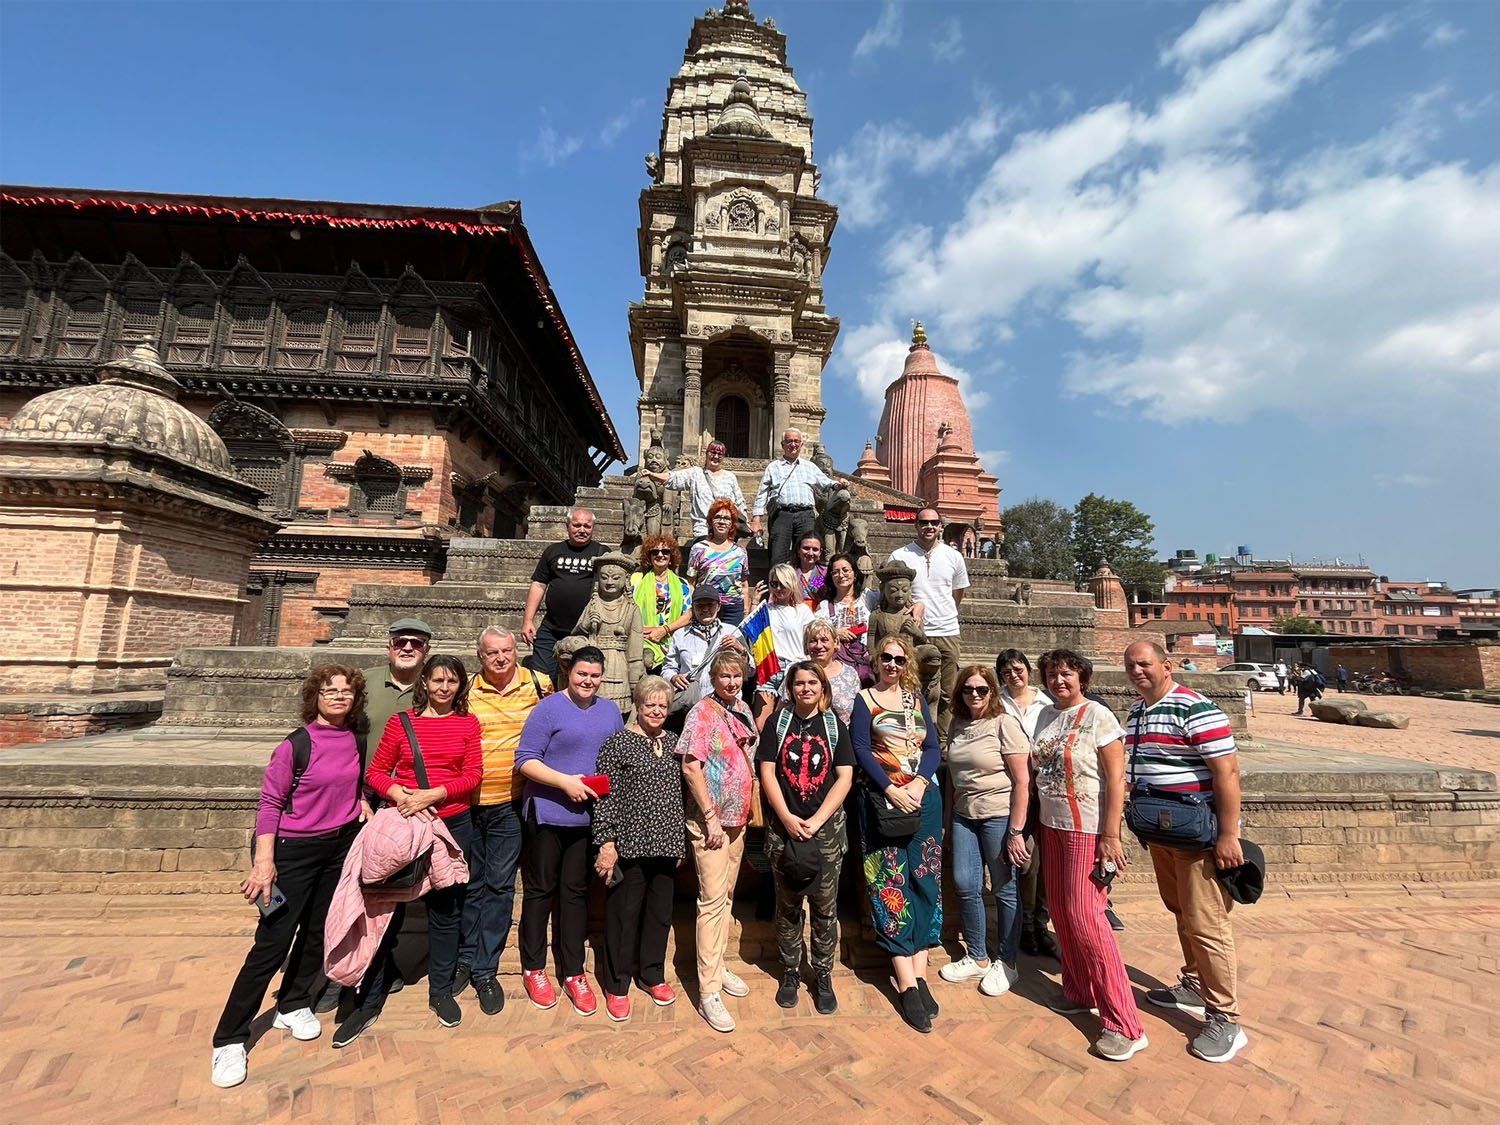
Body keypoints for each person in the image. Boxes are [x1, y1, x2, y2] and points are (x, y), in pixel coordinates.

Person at [211, 665, 370, 1089]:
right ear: (314, 697)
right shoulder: (295, 745)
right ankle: (229, 1038)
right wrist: (264, 862)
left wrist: (360, 803)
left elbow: (348, 785)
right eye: (329, 690)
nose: (338, 697)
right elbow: (270, 802)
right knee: (272, 942)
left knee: (319, 931)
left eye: (345, 692)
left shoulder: (355, 739)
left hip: (336, 848)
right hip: (290, 853)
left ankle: (293, 1001)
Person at [336, 654, 483, 1044]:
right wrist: (405, 795)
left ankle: (440, 991)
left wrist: (434, 793)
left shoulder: (468, 723)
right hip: (405, 826)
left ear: (460, 686)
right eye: (437, 680)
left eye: (452, 682)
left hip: (451, 823)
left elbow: (473, 774)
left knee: (447, 910)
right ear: (425, 684)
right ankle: (371, 996)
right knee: (385, 911)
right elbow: (377, 772)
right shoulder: (403, 724)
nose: (444, 688)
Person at [1123, 641, 1248, 1064]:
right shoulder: (1138, 712)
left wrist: (1229, 835)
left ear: (1167, 665)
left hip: (1199, 835)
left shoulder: (1194, 708)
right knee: (1181, 911)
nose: (1137, 670)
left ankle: (1226, 1017)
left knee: (1207, 923)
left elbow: (1227, 771)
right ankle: (1195, 983)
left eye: (1144, 663)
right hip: (1162, 831)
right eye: (1131, 665)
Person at [1030, 648, 1147, 1062]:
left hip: (1088, 828)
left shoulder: (1098, 716)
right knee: (1062, 912)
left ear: (1082, 677)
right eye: (1051, 674)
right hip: (1052, 824)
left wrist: (1110, 836)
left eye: (1066, 674)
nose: (1058, 680)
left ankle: (1124, 1022)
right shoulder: (1045, 716)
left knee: (1087, 916)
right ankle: (1079, 990)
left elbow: (1116, 778)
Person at [320, 617, 428, 1015]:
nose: (407, 648)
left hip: (401, 805)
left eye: (415, 643)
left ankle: (380, 966)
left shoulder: (432, 687)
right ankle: (337, 973)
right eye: (400, 641)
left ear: (426, 650)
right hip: (356, 801)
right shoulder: (363, 684)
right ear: (389, 646)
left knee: (390, 893)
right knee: (343, 892)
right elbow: (333, 734)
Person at [514, 645, 623, 1016]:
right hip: (547, 813)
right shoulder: (548, 709)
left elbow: (616, 760)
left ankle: (574, 971)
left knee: (575, 894)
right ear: (569, 674)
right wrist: (564, 782)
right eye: (581, 674)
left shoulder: (609, 711)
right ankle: (534, 968)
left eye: (594, 675)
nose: (588, 681)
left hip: (587, 820)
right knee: (541, 891)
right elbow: (525, 761)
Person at [452, 627, 550, 1016]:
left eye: (507, 650)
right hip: (467, 803)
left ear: (515, 652)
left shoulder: (539, 684)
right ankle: (463, 958)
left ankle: (485, 969)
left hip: (510, 805)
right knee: (467, 883)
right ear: (480, 656)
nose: (500, 658)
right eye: (492, 652)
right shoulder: (465, 691)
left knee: (499, 886)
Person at [850, 634, 943, 1034]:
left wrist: (920, 783)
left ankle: (920, 975)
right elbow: (861, 749)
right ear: (876, 660)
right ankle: (904, 981)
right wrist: (890, 788)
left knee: (925, 881)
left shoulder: (916, 702)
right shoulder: (864, 700)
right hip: (883, 801)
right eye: (886, 658)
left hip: (924, 800)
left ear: (907, 664)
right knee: (890, 884)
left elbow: (935, 748)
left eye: (899, 659)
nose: (892, 665)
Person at [757, 661, 855, 1015]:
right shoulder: (777, 724)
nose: (806, 689)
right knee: (788, 908)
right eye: (799, 683)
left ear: (823, 688)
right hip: (785, 830)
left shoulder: (834, 726)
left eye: (813, 682)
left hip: (825, 832)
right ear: (791, 688)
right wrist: (787, 816)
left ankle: (824, 974)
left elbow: (844, 776)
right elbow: (767, 771)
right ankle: (790, 970)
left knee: (825, 909)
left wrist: (816, 819)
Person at [592, 676, 685, 1021]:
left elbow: (679, 796)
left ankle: (652, 973)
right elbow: (604, 795)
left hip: (666, 842)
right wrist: (607, 841)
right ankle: (617, 983)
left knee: (660, 914)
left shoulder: (674, 743)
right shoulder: (616, 743)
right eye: (651, 704)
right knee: (623, 915)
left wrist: (679, 843)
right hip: (628, 844)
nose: (657, 710)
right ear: (638, 705)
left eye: (663, 705)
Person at [678, 647, 760, 1033]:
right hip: (709, 823)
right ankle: (708, 990)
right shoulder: (702, 712)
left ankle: (718, 964)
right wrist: (709, 816)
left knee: (726, 895)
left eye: (736, 676)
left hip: (737, 819)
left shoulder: (742, 709)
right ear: (713, 678)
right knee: (711, 901)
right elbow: (691, 766)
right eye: (724, 676)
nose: (731, 682)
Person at [938, 664, 1031, 1000]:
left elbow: (1023, 780)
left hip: (998, 815)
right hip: (964, 816)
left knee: (1004, 888)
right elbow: (951, 778)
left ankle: (1006, 961)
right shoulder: (959, 725)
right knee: (965, 884)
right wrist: (948, 820)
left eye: (981, 689)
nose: (974, 695)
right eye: (967, 689)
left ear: (992, 691)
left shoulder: (1004, 723)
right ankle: (977, 955)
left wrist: (1016, 830)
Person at [996, 648, 1059, 959]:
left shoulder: (1046, 701)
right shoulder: (996, 701)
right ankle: (1025, 922)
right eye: (1007, 672)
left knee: (1048, 862)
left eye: (1018, 669)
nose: (1013, 675)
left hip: (1048, 785)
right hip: (1014, 788)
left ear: (1028, 671)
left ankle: (1040, 924)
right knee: (1026, 861)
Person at [888, 507, 969, 736]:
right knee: (910, 687)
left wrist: (943, 610)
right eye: (924, 522)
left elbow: (957, 593)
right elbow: (891, 592)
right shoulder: (899, 555)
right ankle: (911, 737)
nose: (929, 527)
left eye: (934, 523)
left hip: (947, 629)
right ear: (916, 525)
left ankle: (943, 740)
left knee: (948, 691)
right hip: (913, 631)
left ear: (940, 526)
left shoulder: (954, 556)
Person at [521, 508, 609, 681]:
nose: (582, 530)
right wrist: (528, 620)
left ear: (593, 527)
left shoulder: (602, 552)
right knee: (542, 678)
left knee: (582, 679)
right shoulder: (553, 551)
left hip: (586, 630)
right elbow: (539, 584)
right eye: (577, 525)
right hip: (551, 628)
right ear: (567, 526)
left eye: (587, 526)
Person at [750, 428, 847, 565]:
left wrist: (838, 484)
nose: (793, 444)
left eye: (796, 441)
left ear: (801, 445)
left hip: (805, 515)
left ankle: (809, 585)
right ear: (783, 445)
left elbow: (826, 482)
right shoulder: (773, 467)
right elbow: (762, 494)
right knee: (778, 555)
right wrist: (756, 519)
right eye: (789, 441)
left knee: (808, 555)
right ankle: (776, 584)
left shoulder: (810, 467)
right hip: (781, 515)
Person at [661, 586, 746, 730]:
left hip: (725, 707)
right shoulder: (680, 635)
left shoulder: (732, 632)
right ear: (692, 608)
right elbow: (667, 669)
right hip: (690, 709)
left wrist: (741, 649)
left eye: (710, 605)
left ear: (718, 606)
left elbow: (749, 671)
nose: (705, 609)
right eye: (700, 605)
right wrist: (675, 678)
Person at [642, 437, 747, 547]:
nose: (716, 456)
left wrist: (746, 522)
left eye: (720, 454)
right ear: (706, 454)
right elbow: (673, 478)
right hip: (703, 531)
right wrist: (653, 475)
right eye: (713, 452)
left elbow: (740, 502)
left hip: (726, 532)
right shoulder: (695, 474)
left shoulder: (730, 477)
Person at [747, 562, 816, 723]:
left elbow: (810, 640)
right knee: (761, 724)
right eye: (774, 584)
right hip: (769, 667)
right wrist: (755, 601)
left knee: (783, 721)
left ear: (791, 583)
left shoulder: (802, 610)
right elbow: (751, 629)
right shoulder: (766, 609)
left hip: (792, 667)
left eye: (783, 584)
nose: (778, 588)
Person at [632, 535, 692, 673]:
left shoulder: (682, 584)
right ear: (649, 556)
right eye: (655, 552)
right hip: (643, 641)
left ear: (671, 556)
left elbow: (688, 615)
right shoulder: (636, 580)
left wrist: (663, 630)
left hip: (672, 643)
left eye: (665, 551)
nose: (660, 555)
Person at [687, 499, 750, 627]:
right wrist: (692, 607)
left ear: (732, 524)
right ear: (711, 521)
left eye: (727, 518)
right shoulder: (698, 549)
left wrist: (746, 610)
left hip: (733, 609)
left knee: (729, 645)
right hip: (706, 605)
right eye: (717, 517)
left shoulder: (740, 551)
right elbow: (691, 582)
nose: (722, 521)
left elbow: (744, 584)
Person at [788, 619, 861, 726]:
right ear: (806, 645)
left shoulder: (850, 674)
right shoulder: (797, 672)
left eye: (824, 640)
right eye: (813, 641)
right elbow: (783, 712)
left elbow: (857, 717)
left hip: (841, 739)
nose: (818, 645)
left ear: (835, 643)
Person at [794, 532, 827, 604]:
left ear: (820, 552)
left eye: (815, 549)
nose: (810, 553)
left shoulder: (825, 573)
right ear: (798, 550)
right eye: (806, 548)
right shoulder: (789, 573)